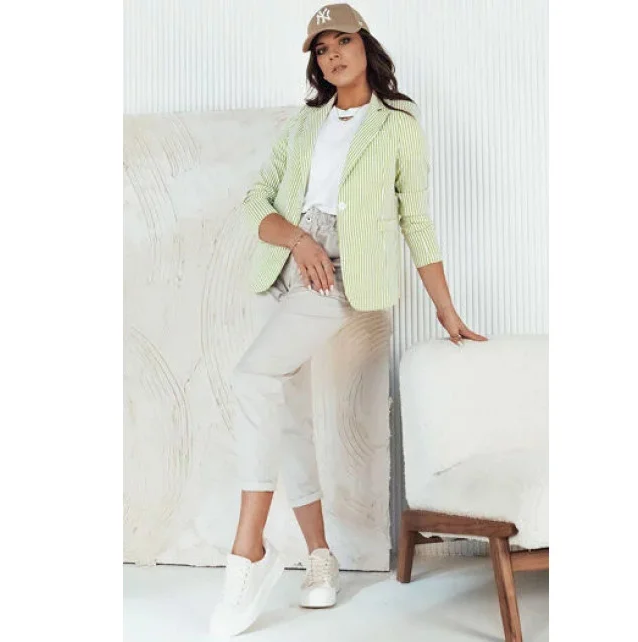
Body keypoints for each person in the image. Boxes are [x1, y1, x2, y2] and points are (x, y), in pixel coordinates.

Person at [210, 3, 487, 636]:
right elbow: (256, 200)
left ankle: (248, 547)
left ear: (366, 46)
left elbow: (415, 219)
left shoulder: (397, 125)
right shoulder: (303, 124)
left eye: (342, 42)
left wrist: (446, 309)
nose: (333, 55)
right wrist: (297, 240)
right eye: (321, 48)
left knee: (252, 377)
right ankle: (319, 557)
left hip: (336, 273)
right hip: (284, 265)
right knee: (289, 413)